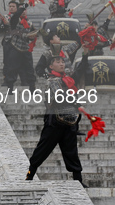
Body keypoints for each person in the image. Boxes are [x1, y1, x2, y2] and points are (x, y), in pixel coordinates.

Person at [26, 45, 90, 187]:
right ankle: (29, 176)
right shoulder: (52, 81)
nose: (61, 64)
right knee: (41, 151)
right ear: (51, 66)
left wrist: (85, 55)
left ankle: (78, 180)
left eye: (62, 62)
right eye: (58, 62)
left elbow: (79, 71)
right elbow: (60, 96)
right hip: (55, 121)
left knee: (72, 152)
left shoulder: (67, 79)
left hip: (69, 121)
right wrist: (76, 104)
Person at [1, 1, 38, 91]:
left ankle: (32, 88)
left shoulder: (29, 22)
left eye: (25, 10)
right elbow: (16, 15)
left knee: (29, 68)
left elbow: (33, 34)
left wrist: (32, 37)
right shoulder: (14, 19)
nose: (23, 11)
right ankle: (10, 88)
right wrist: (24, 5)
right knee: (12, 68)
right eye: (21, 10)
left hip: (25, 48)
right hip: (14, 46)